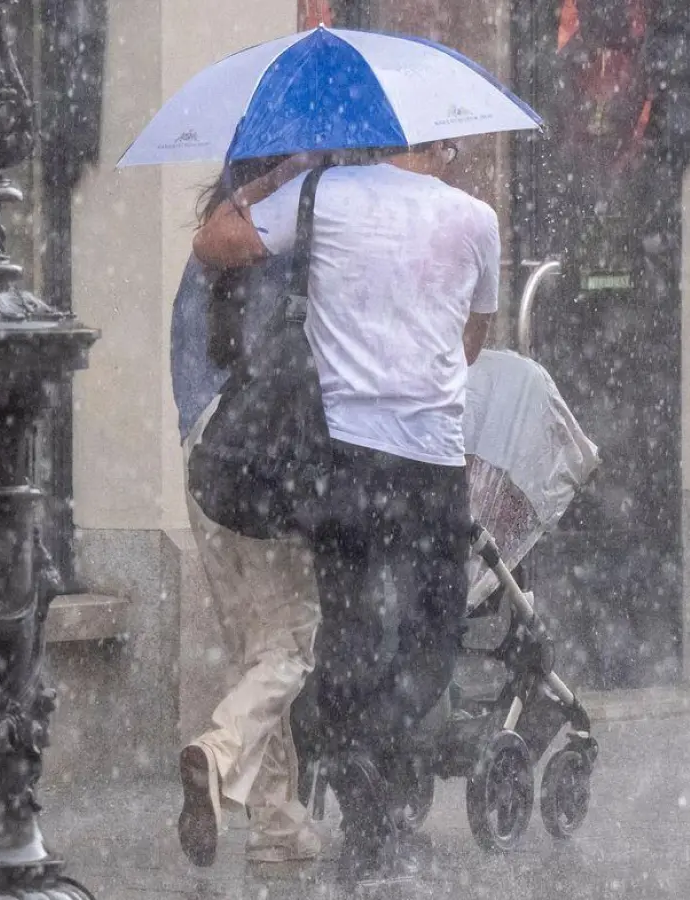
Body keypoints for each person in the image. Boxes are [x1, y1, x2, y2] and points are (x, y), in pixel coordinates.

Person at [193, 139, 499, 877]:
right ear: (445, 142)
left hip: (342, 459)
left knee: (352, 629)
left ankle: (360, 782)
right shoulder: (475, 217)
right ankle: (377, 754)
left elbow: (215, 242)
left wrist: (283, 177)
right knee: (433, 632)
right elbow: (473, 339)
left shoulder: (322, 196)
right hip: (428, 458)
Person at [172, 153, 330, 867]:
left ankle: (276, 825)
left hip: (203, 462)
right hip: (268, 460)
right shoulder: (296, 249)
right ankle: (217, 748)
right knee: (289, 647)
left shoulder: (205, 254)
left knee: (254, 651)